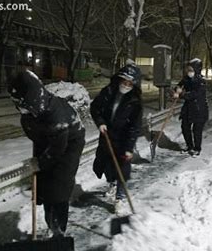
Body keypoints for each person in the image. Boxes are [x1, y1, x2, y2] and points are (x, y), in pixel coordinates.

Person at [8, 70, 85, 236]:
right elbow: (38, 139)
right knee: (44, 183)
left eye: (21, 104)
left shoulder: (55, 113)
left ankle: (59, 231)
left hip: (70, 141)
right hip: (51, 140)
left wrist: (41, 162)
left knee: (59, 184)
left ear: (32, 99)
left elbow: (58, 147)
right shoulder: (29, 113)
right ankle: (51, 223)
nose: (19, 108)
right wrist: (39, 161)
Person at [90, 60, 142, 211]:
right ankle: (112, 183)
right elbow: (95, 108)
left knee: (122, 167)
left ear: (134, 85)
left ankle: (119, 198)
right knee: (106, 164)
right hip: (107, 135)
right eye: (124, 81)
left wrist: (129, 148)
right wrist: (100, 122)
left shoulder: (135, 102)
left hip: (124, 139)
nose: (125, 85)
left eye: (129, 83)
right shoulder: (108, 92)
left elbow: (135, 126)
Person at [173, 58, 209, 156]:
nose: (189, 72)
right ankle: (189, 146)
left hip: (199, 109)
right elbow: (178, 85)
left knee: (196, 130)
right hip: (188, 109)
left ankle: (197, 148)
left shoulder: (201, 81)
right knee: (185, 127)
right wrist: (177, 89)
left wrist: (181, 95)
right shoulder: (186, 79)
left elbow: (195, 94)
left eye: (191, 70)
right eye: (188, 70)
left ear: (197, 70)